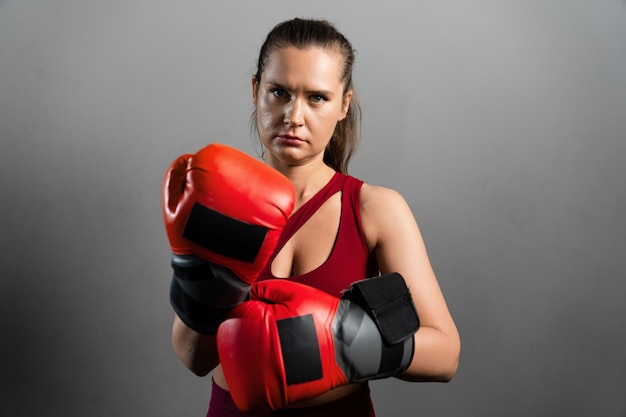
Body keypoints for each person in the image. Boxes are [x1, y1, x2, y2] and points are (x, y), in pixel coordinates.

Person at [168, 18, 460, 417]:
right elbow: (193, 356)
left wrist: (345, 345)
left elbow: (445, 354)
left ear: (344, 104)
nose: (294, 115)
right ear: (256, 91)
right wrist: (206, 281)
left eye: (317, 98)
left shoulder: (374, 210)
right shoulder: (221, 197)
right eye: (279, 92)